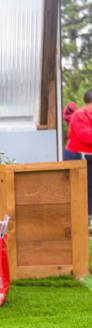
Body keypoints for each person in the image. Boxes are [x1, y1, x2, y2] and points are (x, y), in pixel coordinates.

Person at [63, 89, 92, 227]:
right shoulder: (80, 115)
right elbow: (85, 135)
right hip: (76, 156)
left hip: (86, 157)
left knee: (89, 188)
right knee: (80, 188)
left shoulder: (87, 114)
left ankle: (88, 218)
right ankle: (81, 220)